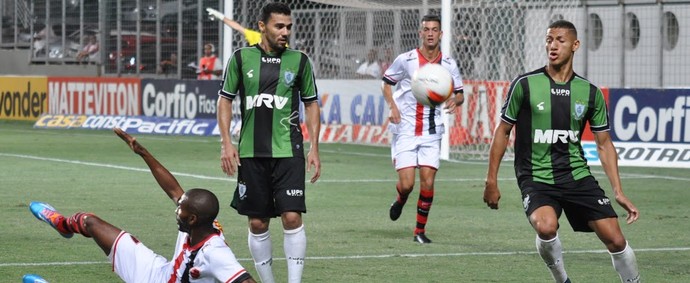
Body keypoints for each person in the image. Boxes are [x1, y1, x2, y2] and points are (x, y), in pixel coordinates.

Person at [483, 20, 640, 283]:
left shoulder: (590, 93)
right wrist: (491, 180)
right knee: (546, 226)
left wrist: (619, 191)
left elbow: (604, 144)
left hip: (576, 174)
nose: (552, 45)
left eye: (560, 40)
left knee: (616, 239)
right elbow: (503, 131)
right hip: (536, 175)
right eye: (549, 40)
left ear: (575, 45)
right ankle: (562, 279)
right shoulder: (525, 84)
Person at [29, 128, 256, 283]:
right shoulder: (200, 222)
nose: (177, 210)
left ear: (193, 218)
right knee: (89, 222)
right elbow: (174, 190)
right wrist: (143, 153)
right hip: (156, 272)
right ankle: (61, 224)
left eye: (181, 209)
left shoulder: (215, 252)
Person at [216, 3, 321, 283]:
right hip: (251, 152)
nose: (285, 32)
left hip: (289, 150)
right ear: (262, 26)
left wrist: (315, 148)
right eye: (279, 26)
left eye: (289, 26)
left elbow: (311, 105)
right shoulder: (241, 58)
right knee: (258, 222)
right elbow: (224, 99)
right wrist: (226, 143)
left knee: (291, 216)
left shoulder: (300, 61)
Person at [382, 14, 465, 244]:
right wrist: (393, 106)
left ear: (441, 34)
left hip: (431, 130)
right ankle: (400, 199)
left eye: (434, 29)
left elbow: (460, 94)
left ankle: (419, 231)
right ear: (420, 33)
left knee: (428, 182)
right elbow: (386, 82)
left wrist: (455, 101)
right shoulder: (406, 60)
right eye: (426, 29)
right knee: (407, 184)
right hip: (406, 129)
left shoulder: (448, 64)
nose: (430, 33)